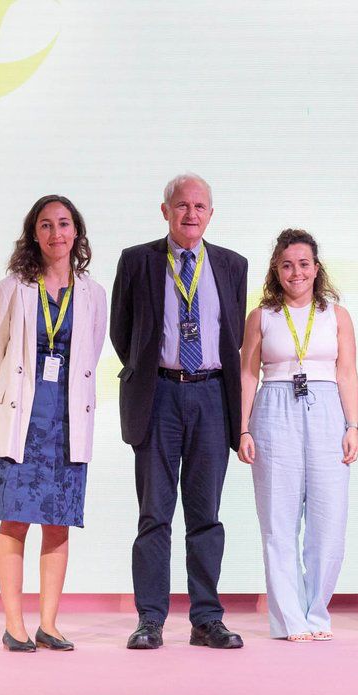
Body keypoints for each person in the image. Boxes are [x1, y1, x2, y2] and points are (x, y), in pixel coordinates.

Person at [110, 173, 248, 650]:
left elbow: (233, 336)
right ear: (165, 211)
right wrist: (157, 371)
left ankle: (207, 619)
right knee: (154, 515)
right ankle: (150, 620)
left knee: (206, 515)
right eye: (182, 205)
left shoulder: (232, 265)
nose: (191, 214)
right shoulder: (137, 260)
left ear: (211, 214)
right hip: (159, 395)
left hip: (212, 397)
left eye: (200, 206)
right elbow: (122, 332)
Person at [0, 194, 108, 652]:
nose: (57, 233)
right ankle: (14, 625)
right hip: (23, 422)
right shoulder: (11, 289)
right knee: (14, 521)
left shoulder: (93, 293)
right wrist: (7, 402)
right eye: (47, 225)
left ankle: (49, 624)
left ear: (77, 232)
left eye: (64, 223)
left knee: (58, 524)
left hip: (66, 423)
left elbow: (90, 354)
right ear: (34, 234)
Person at [237, 229, 358, 641]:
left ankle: (316, 614)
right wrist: (243, 428)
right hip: (274, 411)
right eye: (287, 265)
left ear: (317, 268)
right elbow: (248, 374)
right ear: (277, 269)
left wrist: (353, 426)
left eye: (304, 264)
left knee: (329, 523)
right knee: (278, 521)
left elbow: (347, 373)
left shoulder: (337, 316)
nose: (296, 273)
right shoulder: (261, 316)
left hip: (327, 411)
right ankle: (289, 619)